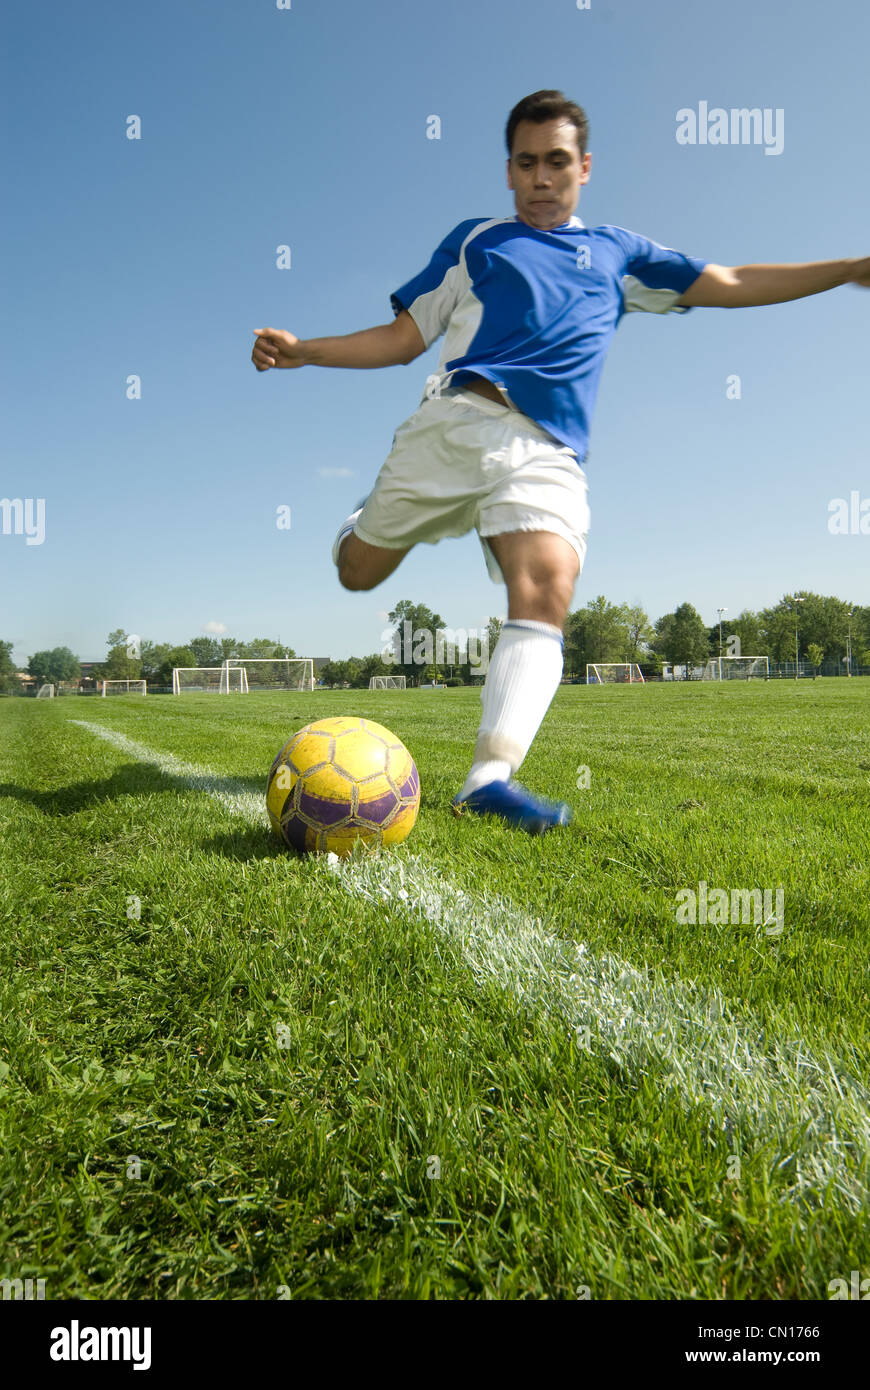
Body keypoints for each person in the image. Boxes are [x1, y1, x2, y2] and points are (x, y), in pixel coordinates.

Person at [252, 89, 869, 834]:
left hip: (547, 451)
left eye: (556, 162)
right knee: (359, 572)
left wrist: (846, 268)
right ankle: (362, 524)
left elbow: (732, 281)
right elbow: (401, 339)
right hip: (454, 425)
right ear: (508, 171)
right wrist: (305, 353)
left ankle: (488, 776)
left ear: (584, 166)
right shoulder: (477, 241)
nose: (542, 178)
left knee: (549, 584)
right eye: (526, 163)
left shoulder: (620, 255)